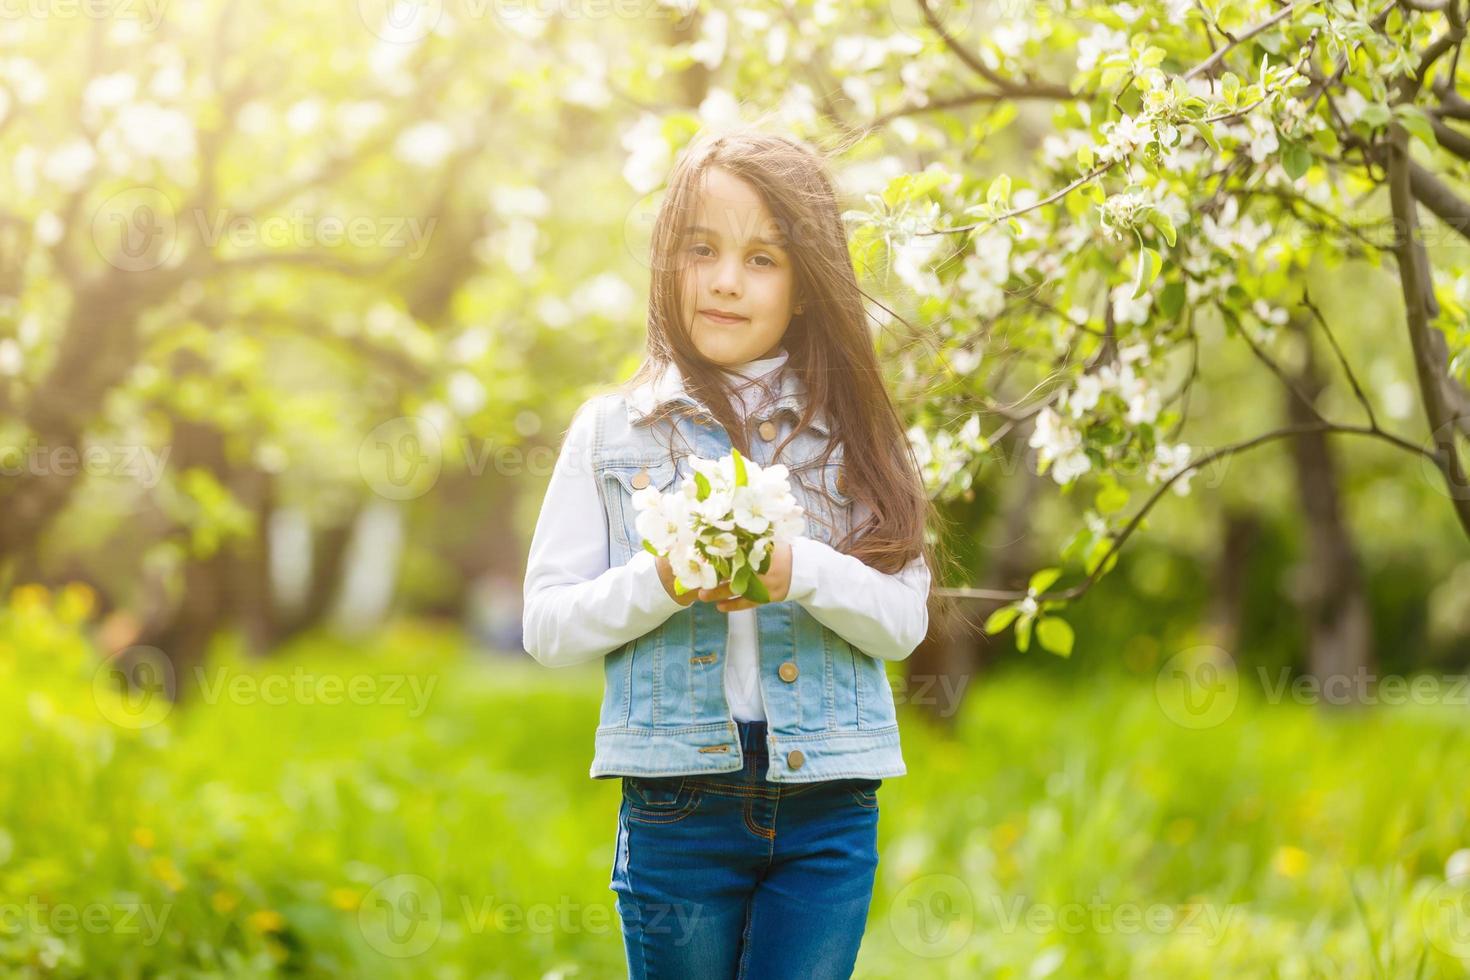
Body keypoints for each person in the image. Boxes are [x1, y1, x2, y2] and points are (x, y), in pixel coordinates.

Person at [522, 126, 935, 979]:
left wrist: (801, 572)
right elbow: (547, 626)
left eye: (761, 259)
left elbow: (902, 623)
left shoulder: (858, 433)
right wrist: (663, 579)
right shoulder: (612, 432)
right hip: (679, 806)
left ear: (806, 285)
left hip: (827, 806)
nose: (723, 281)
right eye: (701, 249)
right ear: (668, 263)